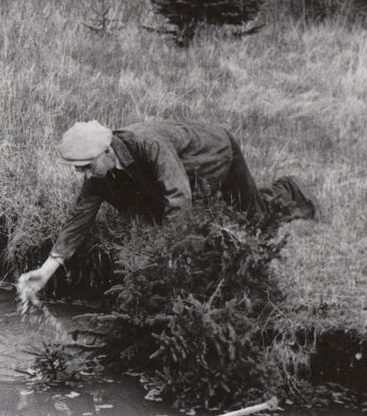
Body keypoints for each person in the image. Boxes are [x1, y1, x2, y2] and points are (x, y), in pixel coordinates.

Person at [16, 118, 316, 303]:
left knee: (254, 221)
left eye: (88, 166)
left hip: (214, 156)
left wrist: (166, 254)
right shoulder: (101, 171)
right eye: (79, 169)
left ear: (107, 152)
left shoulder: (149, 144)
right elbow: (79, 219)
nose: (86, 175)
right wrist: (45, 271)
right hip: (175, 177)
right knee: (165, 213)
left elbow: (180, 196)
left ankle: (289, 190)